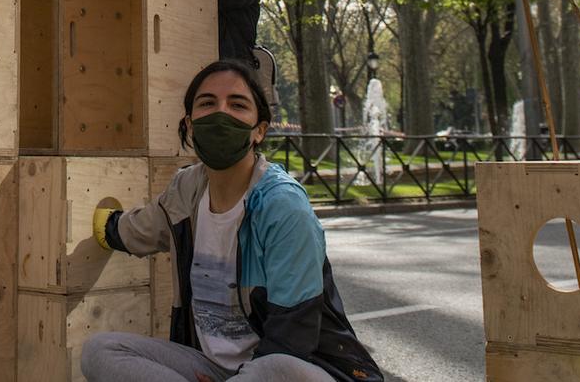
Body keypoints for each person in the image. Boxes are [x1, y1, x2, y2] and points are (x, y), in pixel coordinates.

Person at [80, 59, 383, 382]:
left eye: (237, 104)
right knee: (101, 350)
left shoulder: (282, 206)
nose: (220, 113)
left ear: (259, 130)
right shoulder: (187, 189)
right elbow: (139, 229)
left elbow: (294, 336)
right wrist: (103, 223)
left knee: (276, 368)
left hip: (301, 369)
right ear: (191, 124)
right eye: (207, 103)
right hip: (216, 370)